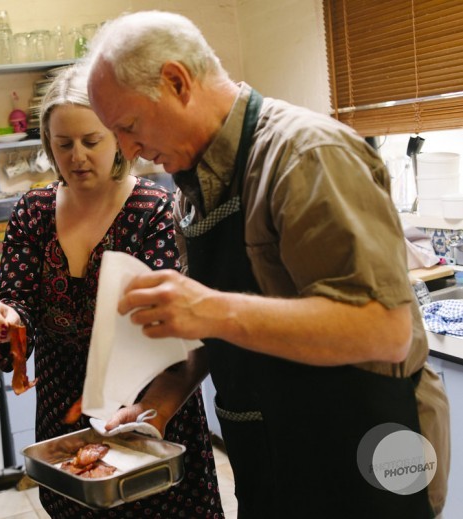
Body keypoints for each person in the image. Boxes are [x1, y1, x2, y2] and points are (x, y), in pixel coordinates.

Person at [84, 11, 450, 519]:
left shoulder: (305, 156)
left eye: (128, 126)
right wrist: (159, 404)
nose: (128, 151)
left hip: (364, 450)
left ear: (177, 82)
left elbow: (383, 331)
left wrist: (209, 309)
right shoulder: (191, 188)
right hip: (269, 451)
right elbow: (215, 330)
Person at [0, 63, 224, 518]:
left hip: (147, 405)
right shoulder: (32, 211)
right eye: (63, 144)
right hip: (63, 409)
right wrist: (3, 320)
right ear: (48, 143)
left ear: (118, 139)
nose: (77, 157)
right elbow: (17, 298)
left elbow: (167, 328)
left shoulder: (152, 210)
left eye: (91, 141)